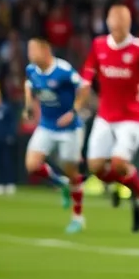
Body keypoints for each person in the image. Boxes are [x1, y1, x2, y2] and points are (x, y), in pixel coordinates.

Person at [79, 4, 139, 233]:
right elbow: (90, 67)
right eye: (114, 22)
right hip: (105, 117)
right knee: (96, 167)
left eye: (122, 23)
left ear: (128, 24)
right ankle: (136, 194)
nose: (118, 27)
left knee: (119, 163)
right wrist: (86, 83)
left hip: (131, 118)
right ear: (109, 23)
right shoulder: (99, 45)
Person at [24, 38, 88, 233]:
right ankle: (61, 184)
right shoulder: (31, 69)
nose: (30, 54)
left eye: (33, 50)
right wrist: (28, 104)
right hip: (46, 125)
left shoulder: (63, 70)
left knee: (72, 172)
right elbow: (29, 84)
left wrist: (74, 111)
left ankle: (77, 217)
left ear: (45, 51)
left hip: (69, 129)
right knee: (32, 165)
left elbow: (84, 88)